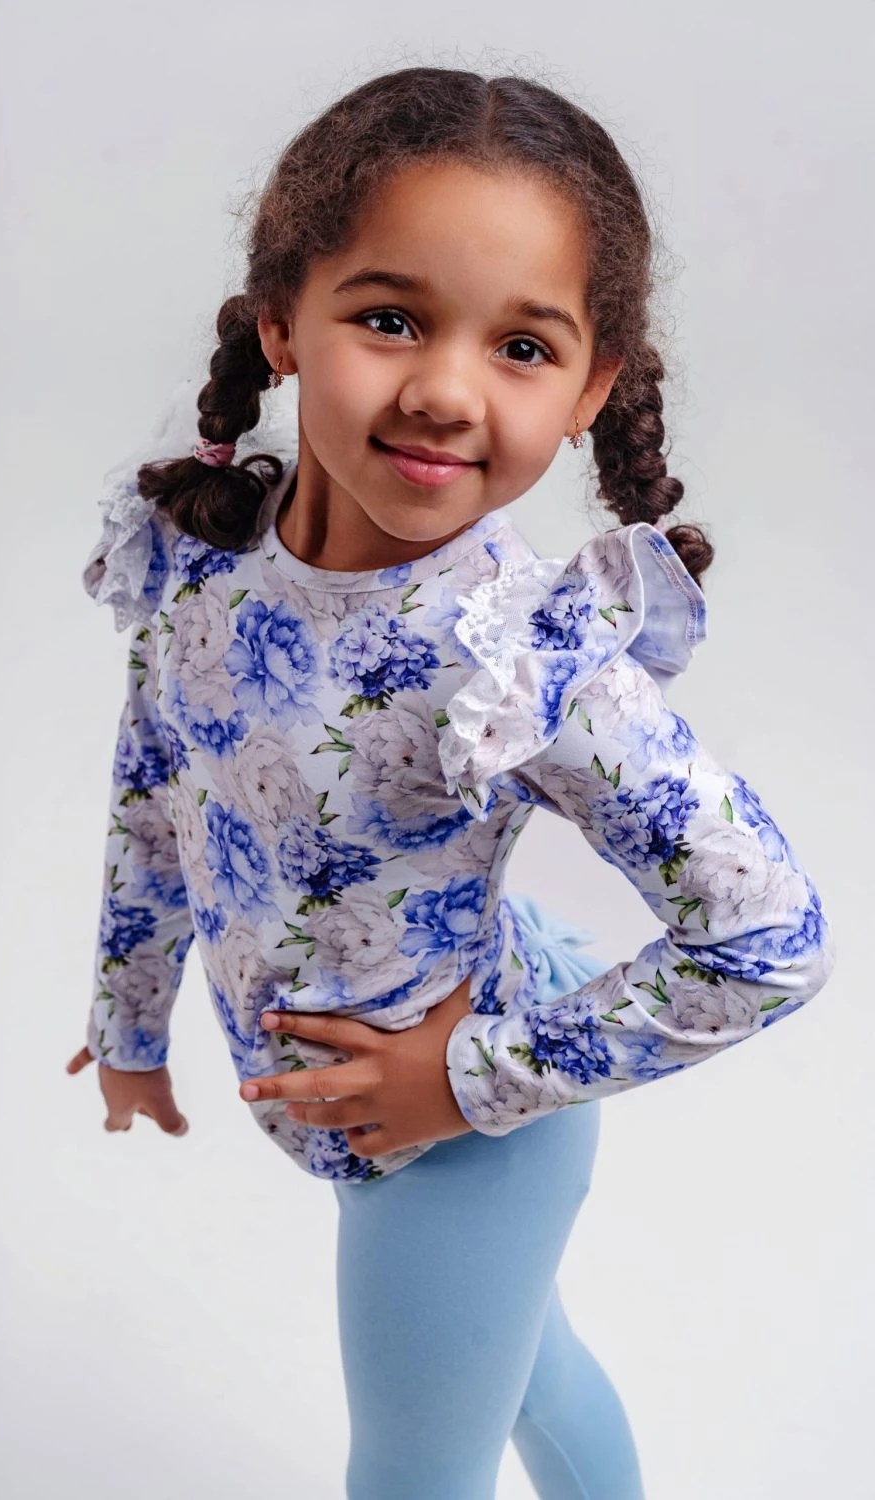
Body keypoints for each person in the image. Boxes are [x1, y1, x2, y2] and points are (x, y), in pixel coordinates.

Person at [65, 66, 836, 1500]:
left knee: (414, 1473)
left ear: (592, 390)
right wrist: (130, 1020)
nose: (442, 389)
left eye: (523, 347)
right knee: (537, 1379)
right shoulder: (203, 560)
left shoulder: (521, 655)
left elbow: (771, 936)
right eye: (390, 318)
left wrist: (462, 1082)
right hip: (385, 1114)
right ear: (280, 319)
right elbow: (160, 785)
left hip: (462, 1151)